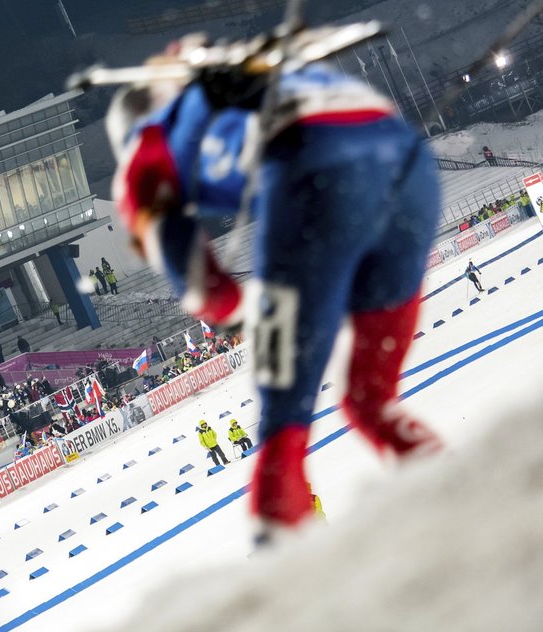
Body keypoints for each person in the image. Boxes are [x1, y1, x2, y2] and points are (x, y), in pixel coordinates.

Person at [107, 38, 442, 542]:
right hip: (407, 172)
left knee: (287, 433)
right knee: (371, 399)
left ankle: (295, 556)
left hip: (317, 192)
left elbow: (194, 274)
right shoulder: (251, 80)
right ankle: (449, 485)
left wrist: (233, 308)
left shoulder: (147, 149)